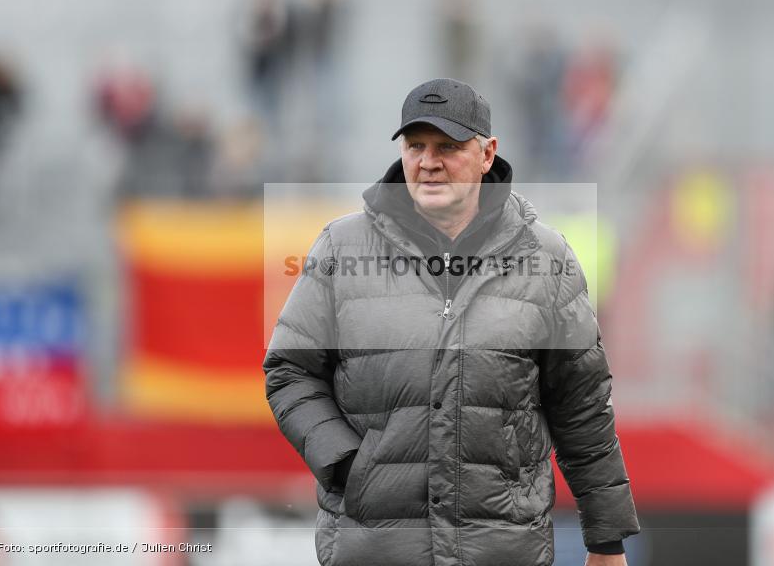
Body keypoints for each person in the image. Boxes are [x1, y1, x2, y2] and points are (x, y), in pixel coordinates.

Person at [263, 78, 640, 566]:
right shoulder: (341, 248)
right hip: (374, 550)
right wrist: (345, 463)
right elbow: (289, 370)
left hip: (503, 552)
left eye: (448, 147)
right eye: (415, 145)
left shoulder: (547, 259)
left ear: (488, 154)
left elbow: (582, 407)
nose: (428, 162)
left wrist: (606, 543)